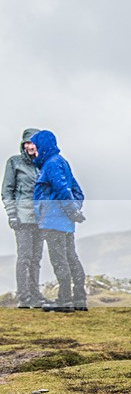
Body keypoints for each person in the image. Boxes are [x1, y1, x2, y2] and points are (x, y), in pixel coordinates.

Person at [31, 130, 87, 313]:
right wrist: (73, 211)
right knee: (71, 258)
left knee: (60, 260)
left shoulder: (51, 164)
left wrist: (72, 212)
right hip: (63, 221)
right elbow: (77, 192)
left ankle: (64, 300)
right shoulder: (60, 162)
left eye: (36, 146)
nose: (34, 150)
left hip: (54, 221)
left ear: (43, 145)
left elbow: (63, 191)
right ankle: (79, 299)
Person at [2, 128, 49, 308]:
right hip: (22, 218)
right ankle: (24, 297)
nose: (30, 146)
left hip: (41, 219)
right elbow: (7, 191)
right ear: (23, 145)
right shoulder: (14, 163)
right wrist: (12, 214)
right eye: (27, 143)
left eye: (33, 143)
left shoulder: (44, 164)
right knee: (25, 257)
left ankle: (35, 295)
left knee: (36, 258)